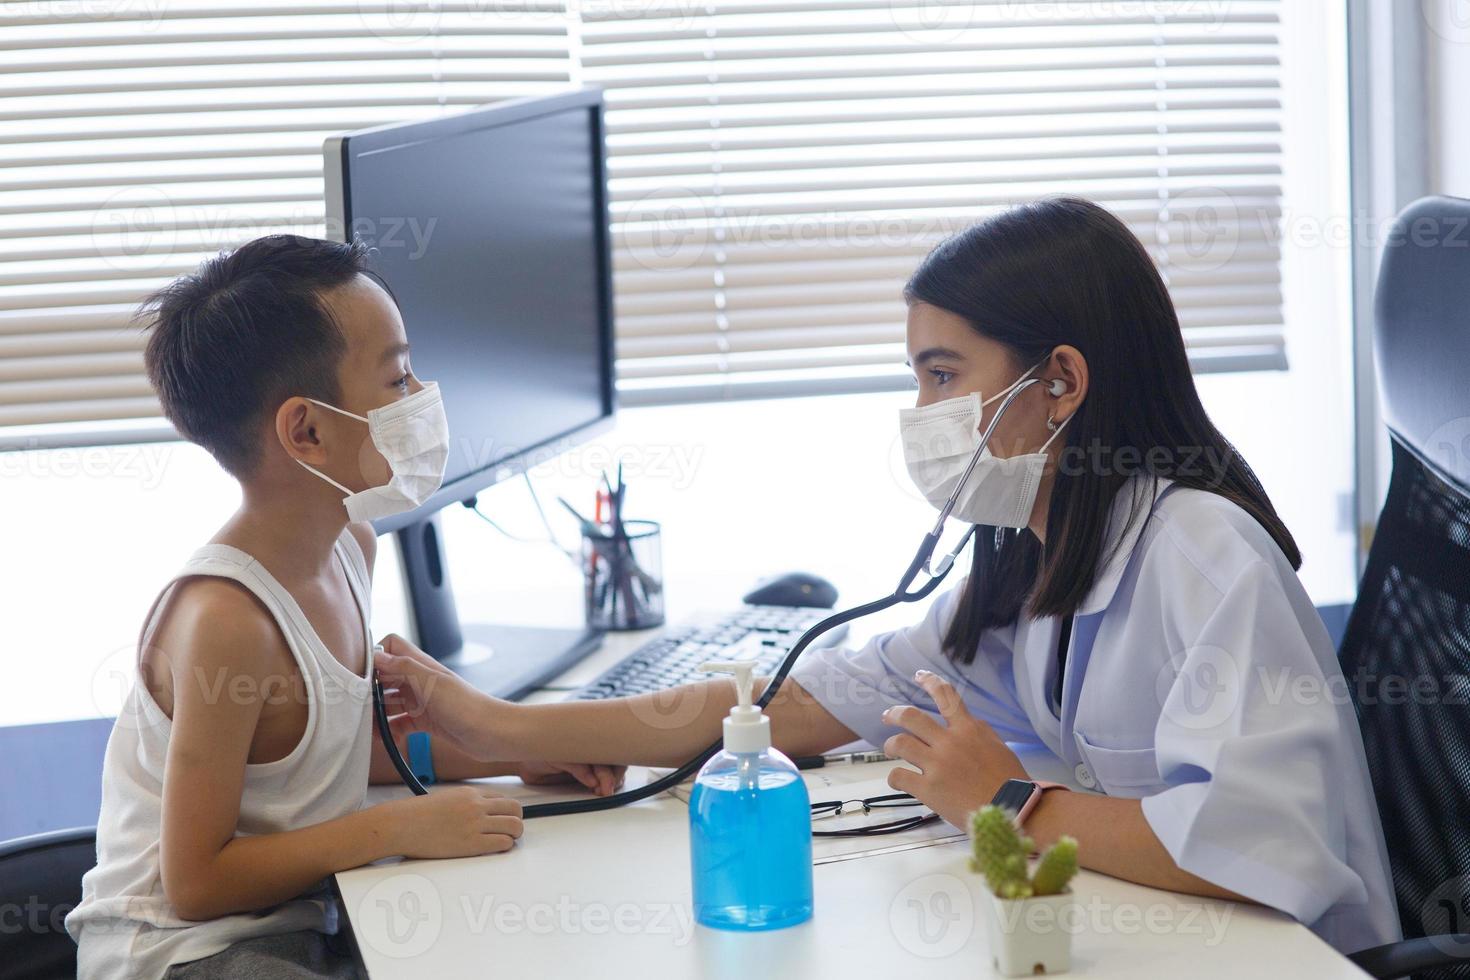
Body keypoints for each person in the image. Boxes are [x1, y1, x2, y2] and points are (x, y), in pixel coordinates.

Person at [373, 198, 1401, 953]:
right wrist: (507, 729)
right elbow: (805, 702)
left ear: (1062, 384)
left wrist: (1006, 796)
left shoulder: (1204, 554)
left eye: (944, 374)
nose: (921, 408)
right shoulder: (1031, 552)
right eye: (917, 374)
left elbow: (1265, 851)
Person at [65, 235, 622, 980]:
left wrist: (510, 754)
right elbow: (196, 884)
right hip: (184, 953)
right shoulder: (227, 620)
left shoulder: (350, 545)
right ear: (308, 431)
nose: (421, 396)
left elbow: (323, 756)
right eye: (396, 380)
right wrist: (393, 826)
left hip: (299, 919)